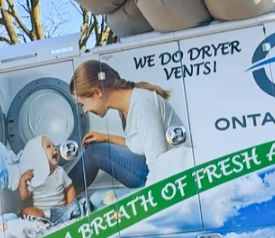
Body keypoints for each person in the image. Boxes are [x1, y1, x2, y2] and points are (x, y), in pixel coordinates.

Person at [69, 60, 192, 189]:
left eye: (82, 104)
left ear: (97, 93)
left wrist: (141, 199)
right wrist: (106, 137)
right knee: (94, 150)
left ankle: (63, 195)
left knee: (95, 157)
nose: (84, 110)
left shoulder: (142, 106)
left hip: (173, 176)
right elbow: (141, 144)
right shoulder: (125, 107)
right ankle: (64, 195)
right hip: (156, 167)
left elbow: (158, 164)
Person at [16, 135, 90, 225]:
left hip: (60, 210)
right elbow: (24, 197)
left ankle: (65, 214)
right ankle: (44, 220)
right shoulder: (34, 175)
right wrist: (22, 181)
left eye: (54, 146)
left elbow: (70, 188)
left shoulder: (60, 172)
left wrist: (70, 204)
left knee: (80, 201)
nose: (55, 148)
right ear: (38, 155)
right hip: (42, 212)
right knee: (26, 211)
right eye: (49, 146)